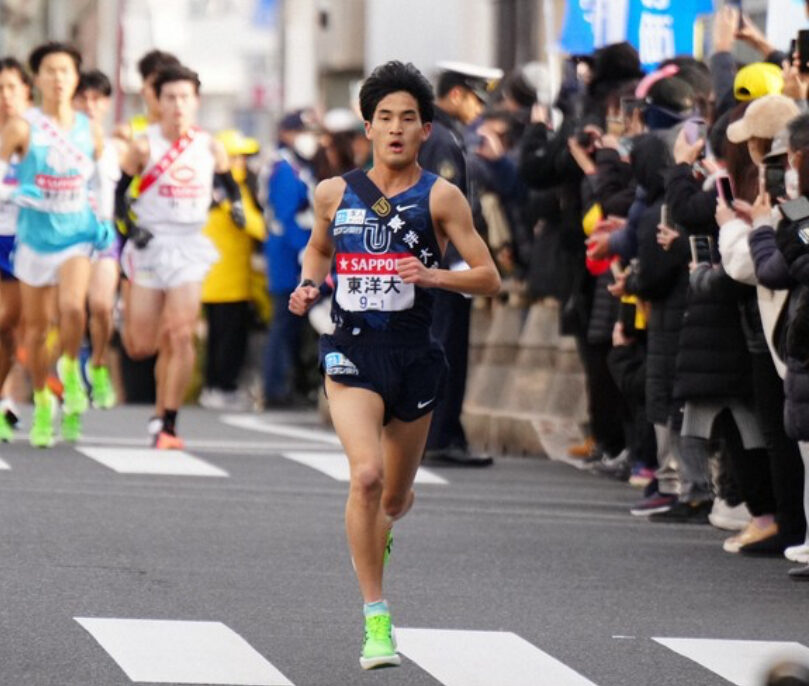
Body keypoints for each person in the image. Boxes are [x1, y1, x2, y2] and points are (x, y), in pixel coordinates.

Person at [288, 61, 500, 670]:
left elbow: (488, 276)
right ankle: (376, 618)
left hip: (415, 357)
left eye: (408, 118)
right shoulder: (334, 193)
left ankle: (383, 528)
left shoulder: (442, 197)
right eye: (385, 118)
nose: (396, 128)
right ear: (369, 127)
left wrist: (432, 275)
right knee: (366, 477)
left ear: (426, 129)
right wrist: (308, 285)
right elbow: (318, 249)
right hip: (352, 352)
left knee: (396, 498)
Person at [117, 64, 244, 449]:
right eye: (170, 97)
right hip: (150, 245)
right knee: (143, 345)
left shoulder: (210, 146)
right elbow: (118, 196)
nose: (178, 105)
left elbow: (229, 186)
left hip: (189, 244)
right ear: (158, 101)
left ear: (196, 101)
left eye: (185, 97)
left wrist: (235, 207)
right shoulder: (143, 146)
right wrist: (130, 227)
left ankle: (167, 422)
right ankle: (132, 315)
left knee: (181, 333)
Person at [0, 42, 114, 447]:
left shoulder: (90, 129)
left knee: (73, 307)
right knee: (35, 330)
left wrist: (104, 220)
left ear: (76, 77)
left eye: (65, 70)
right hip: (34, 239)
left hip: (76, 234)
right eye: (49, 70)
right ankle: (43, 401)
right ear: (38, 79)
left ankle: (70, 370)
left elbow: (103, 180)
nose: (58, 78)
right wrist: (14, 192)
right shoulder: (21, 128)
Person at [419, 61, 502, 467]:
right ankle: (441, 434)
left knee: (444, 348)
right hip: (445, 266)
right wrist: (456, 262)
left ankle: (443, 432)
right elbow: (443, 207)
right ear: (456, 95)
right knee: (446, 349)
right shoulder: (443, 138)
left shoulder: (439, 133)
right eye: (475, 100)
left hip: (437, 265)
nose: (479, 110)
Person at [200, 129, 266, 409]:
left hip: (216, 279)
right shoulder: (230, 188)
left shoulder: (211, 187)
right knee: (229, 339)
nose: (242, 163)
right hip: (229, 280)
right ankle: (223, 389)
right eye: (237, 157)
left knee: (218, 337)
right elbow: (254, 225)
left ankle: (213, 388)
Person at [74, 69, 123, 409]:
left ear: (107, 103)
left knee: (102, 307)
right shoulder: (56, 142)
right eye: (84, 98)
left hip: (104, 234)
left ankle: (99, 363)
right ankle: (74, 367)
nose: (90, 106)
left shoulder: (119, 146)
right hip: (66, 235)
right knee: (71, 309)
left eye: (97, 99)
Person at [262, 109, 318, 406]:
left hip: (296, 251)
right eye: (300, 132)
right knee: (284, 320)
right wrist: (306, 254)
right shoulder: (283, 168)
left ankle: (290, 384)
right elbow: (287, 217)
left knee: (292, 324)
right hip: (288, 254)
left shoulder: (297, 166)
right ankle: (276, 387)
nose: (307, 138)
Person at [0, 57, 31, 439]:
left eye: (12, 87)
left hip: (26, 240)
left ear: (26, 91)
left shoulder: (40, 135)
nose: (5, 96)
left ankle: (7, 393)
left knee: (12, 325)